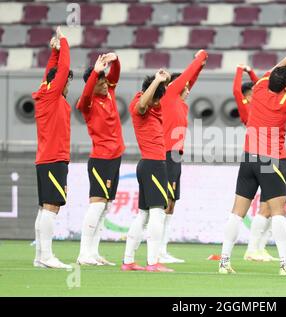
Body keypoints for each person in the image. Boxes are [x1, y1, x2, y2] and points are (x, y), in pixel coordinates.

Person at [219, 29, 286, 276]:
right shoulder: (284, 100)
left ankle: (224, 262)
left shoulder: (260, 85)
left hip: (248, 158)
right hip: (271, 160)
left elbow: (284, 63)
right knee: (279, 213)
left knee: (237, 212)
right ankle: (285, 264)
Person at [121, 69, 173, 272]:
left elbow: (148, 98)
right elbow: (144, 103)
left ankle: (128, 261)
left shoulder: (145, 101)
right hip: (153, 164)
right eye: (158, 99)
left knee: (143, 215)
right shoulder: (140, 106)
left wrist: (163, 80)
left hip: (147, 164)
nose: (159, 103)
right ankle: (153, 262)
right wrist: (158, 81)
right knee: (157, 213)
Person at [159, 50, 208, 264]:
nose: (188, 90)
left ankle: (162, 248)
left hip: (176, 155)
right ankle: (157, 250)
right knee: (163, 203)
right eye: (185, 87)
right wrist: (200, 57)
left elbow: (191, 79)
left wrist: (201, 66)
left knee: (171, 203)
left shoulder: (181, 103)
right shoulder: (169, 96)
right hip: (167, 153)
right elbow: (187, 77)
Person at [76, 53, 125, 266]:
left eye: (106, 82)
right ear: (92, 84)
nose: (106, 85)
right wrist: (95, 71)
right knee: (96, 206)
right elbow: (86, 93)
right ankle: (83, 253)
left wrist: (115, 60)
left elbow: (115, 74)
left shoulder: (110, 93)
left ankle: (94, 253)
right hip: (100, 159)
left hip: (115, 158)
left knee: (105, 208)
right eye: (101, 82)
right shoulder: (87, 103)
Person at [32, 27, 73, 269]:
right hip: (54, 157)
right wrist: (65, 41)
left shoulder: (44, 92)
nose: (67, 85)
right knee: (52, 206)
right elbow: (62, 71)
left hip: (45, 158)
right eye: (66, 81)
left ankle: (40, 256)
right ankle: (46, 256)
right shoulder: (52, 94)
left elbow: (53, 71)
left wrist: (54, 50)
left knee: (45, 206)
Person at [233, 64, 277, 262]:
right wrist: (239, 71)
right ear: (248, 94)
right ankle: (252, 248)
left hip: (269, 151)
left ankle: (259, 247)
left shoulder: (260, 103)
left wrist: (251, 71)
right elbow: (236, 90)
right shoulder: (246, 106)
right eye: (253, 92)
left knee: (270, 204)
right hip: (256, 154)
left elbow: (261, 83)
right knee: (265, 204)